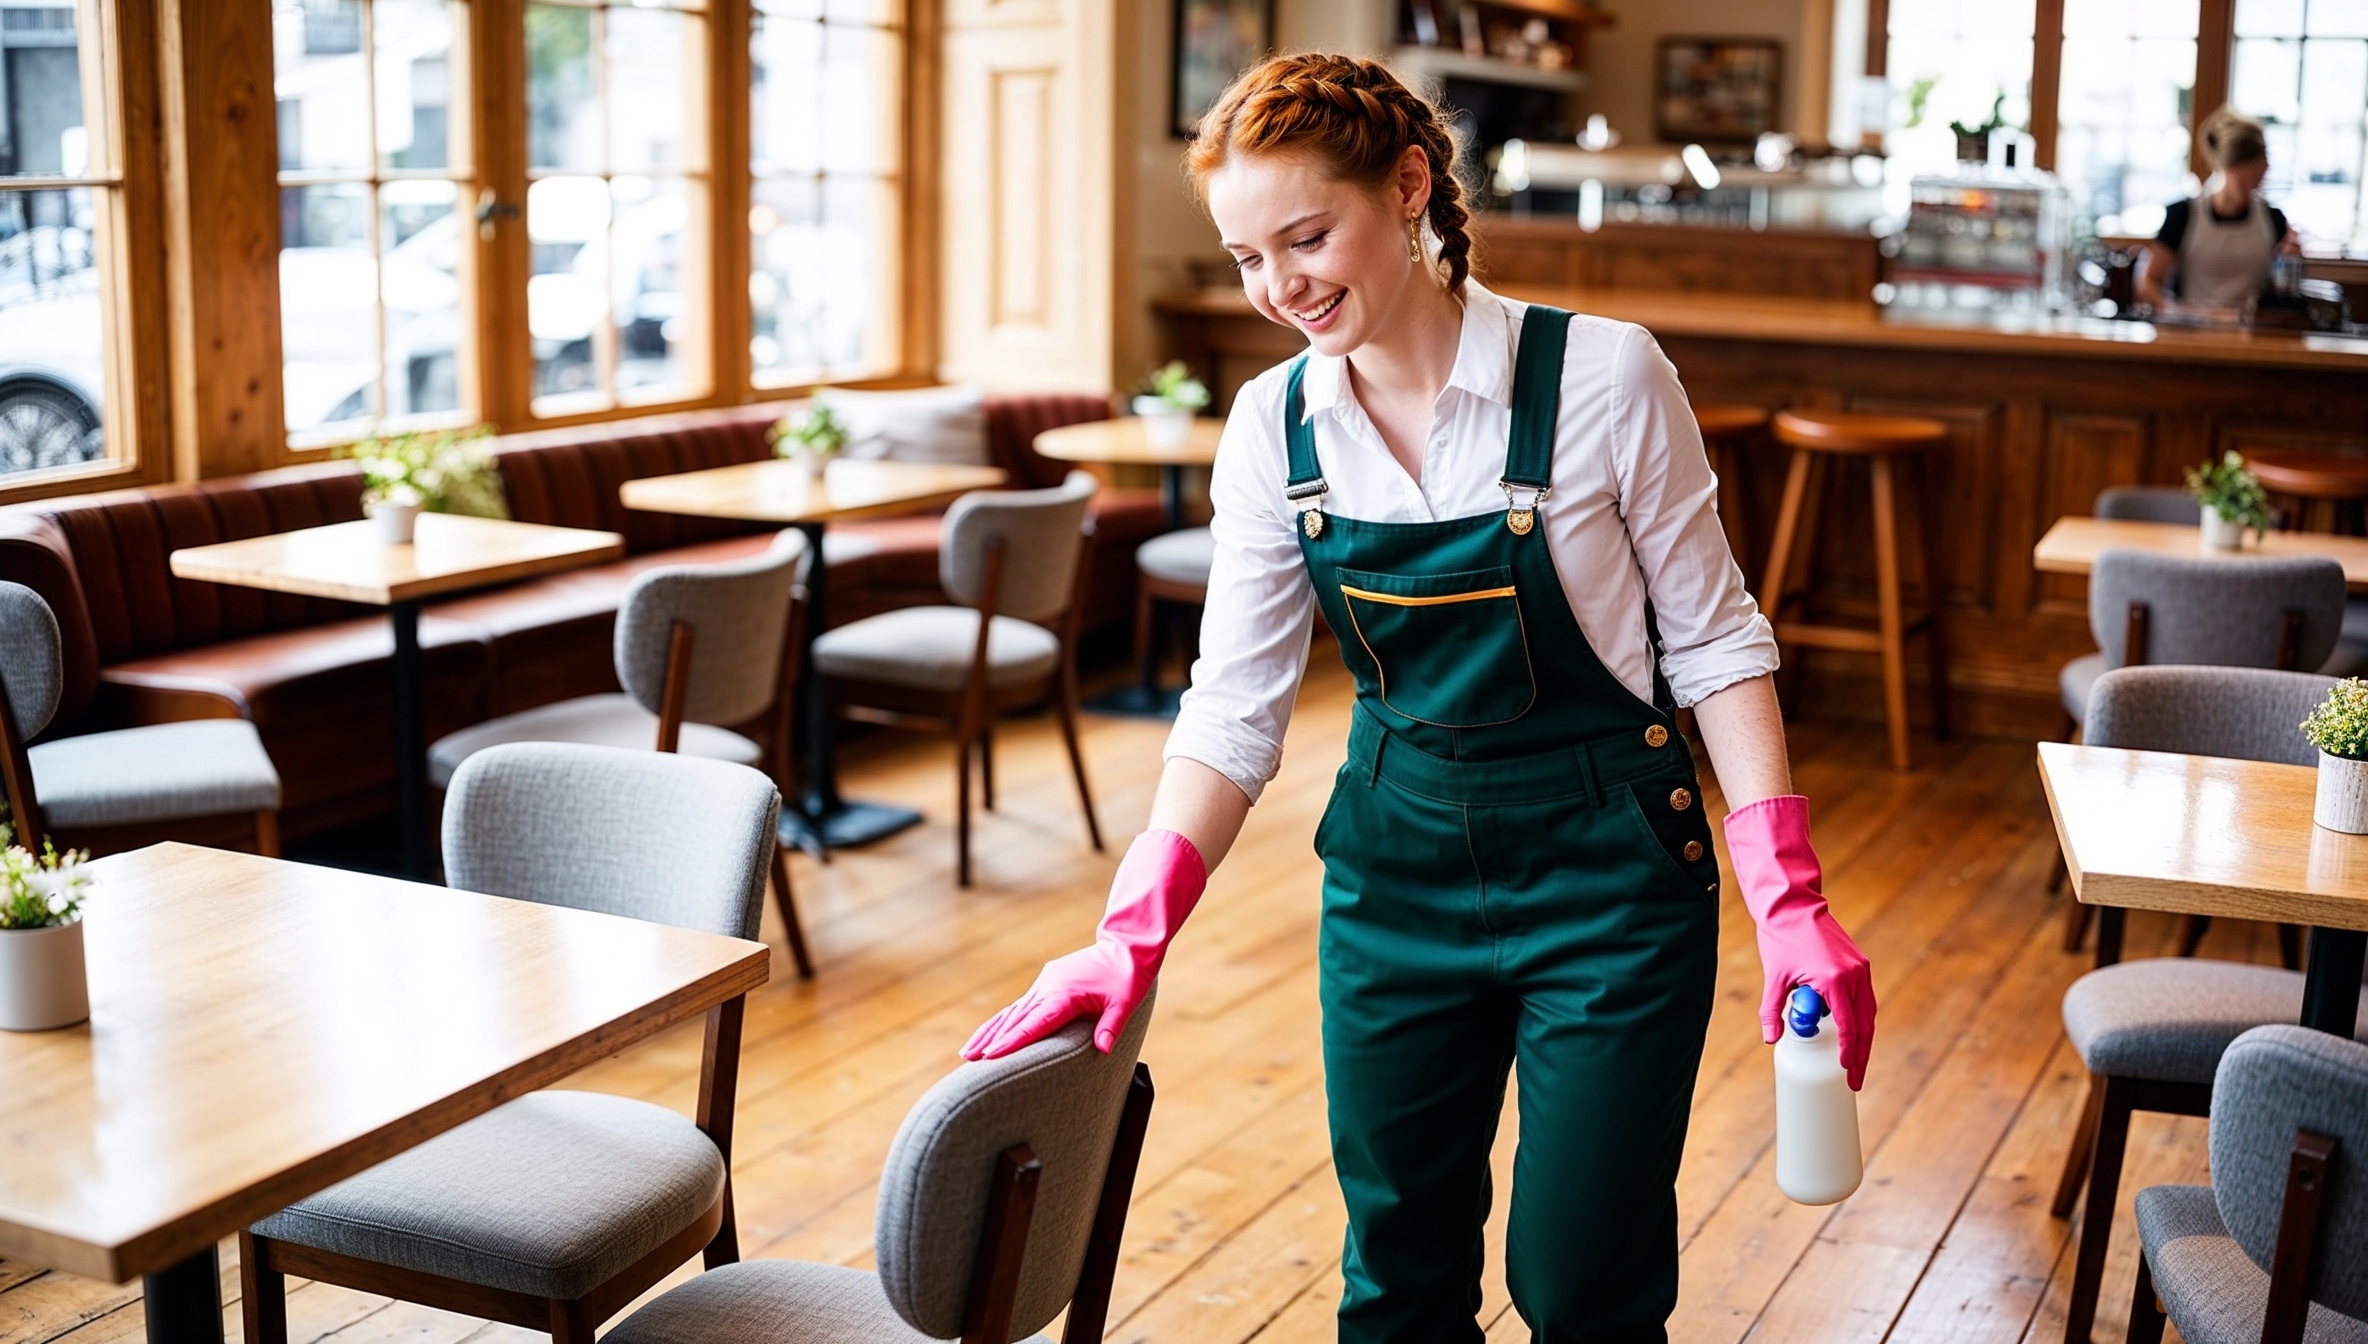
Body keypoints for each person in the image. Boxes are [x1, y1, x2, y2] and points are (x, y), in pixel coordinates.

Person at [961, 53, 1876, 1343]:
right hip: (1393, 878)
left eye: (1305, 236)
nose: (1280, 289)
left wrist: (1791, 902)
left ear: (1406, 189)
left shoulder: (1605, 379)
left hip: (1610, 879)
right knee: (1396, 1276)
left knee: (1581, 1281)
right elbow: (1233, 706)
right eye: (1245, 259)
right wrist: (1132, 930)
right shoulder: (1272, 429)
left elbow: (1717, 644)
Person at [2138, 106, 2302, 311]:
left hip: (2251, 331)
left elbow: (2283, 288)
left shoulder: (2273, 219)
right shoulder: (2182, 215)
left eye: (2258, 177)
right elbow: (2150, 282)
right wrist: (2174, 311)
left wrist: (2290, 262)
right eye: (2243, 178)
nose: (2253, 185)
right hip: (2193, 331)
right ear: (2223, 168)